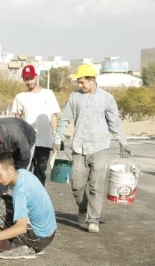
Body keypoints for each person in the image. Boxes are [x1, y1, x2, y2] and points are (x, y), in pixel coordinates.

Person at [53, 63, 131, 234]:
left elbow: (114, 122)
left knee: (96, 186)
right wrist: (58, 137)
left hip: (100, 148)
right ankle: (82, 208)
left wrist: (123, 142)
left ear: (92, 79)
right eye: (78, 83)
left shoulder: (107, 98)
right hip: (79, 148)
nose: (79, 86)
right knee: (77, 186)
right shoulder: (74, 97)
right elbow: (65, 118)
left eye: (82, 82)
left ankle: (94, 219)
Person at [0, 152, 57, 260]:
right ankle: (24, 242)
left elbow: (21, 228)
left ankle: (23, 246)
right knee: (1, 201)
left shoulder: (20, 190)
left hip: (39, 238)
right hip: (48, 233)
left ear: (10, 170)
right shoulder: (22, 173)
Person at [11, 64, 61, 185]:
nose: (29, 81)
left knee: (40, 173)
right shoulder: (20, 97)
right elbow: (17, 118)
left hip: (44, 141)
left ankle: (39, 201)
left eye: (31, 78)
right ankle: (26, 200)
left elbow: (53, 116)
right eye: (26, 79)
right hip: (27, 142)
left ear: (36, 77)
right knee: (24, 172)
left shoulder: (48, 94)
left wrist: (56, 136)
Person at [0, 117, 36, 197]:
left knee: (20, 175)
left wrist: (16, 176)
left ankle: (24, 197)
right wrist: (3, 193)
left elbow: (25, 156)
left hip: (27, 139)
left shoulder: (15, 134)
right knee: (1, 172)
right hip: (9, 144)